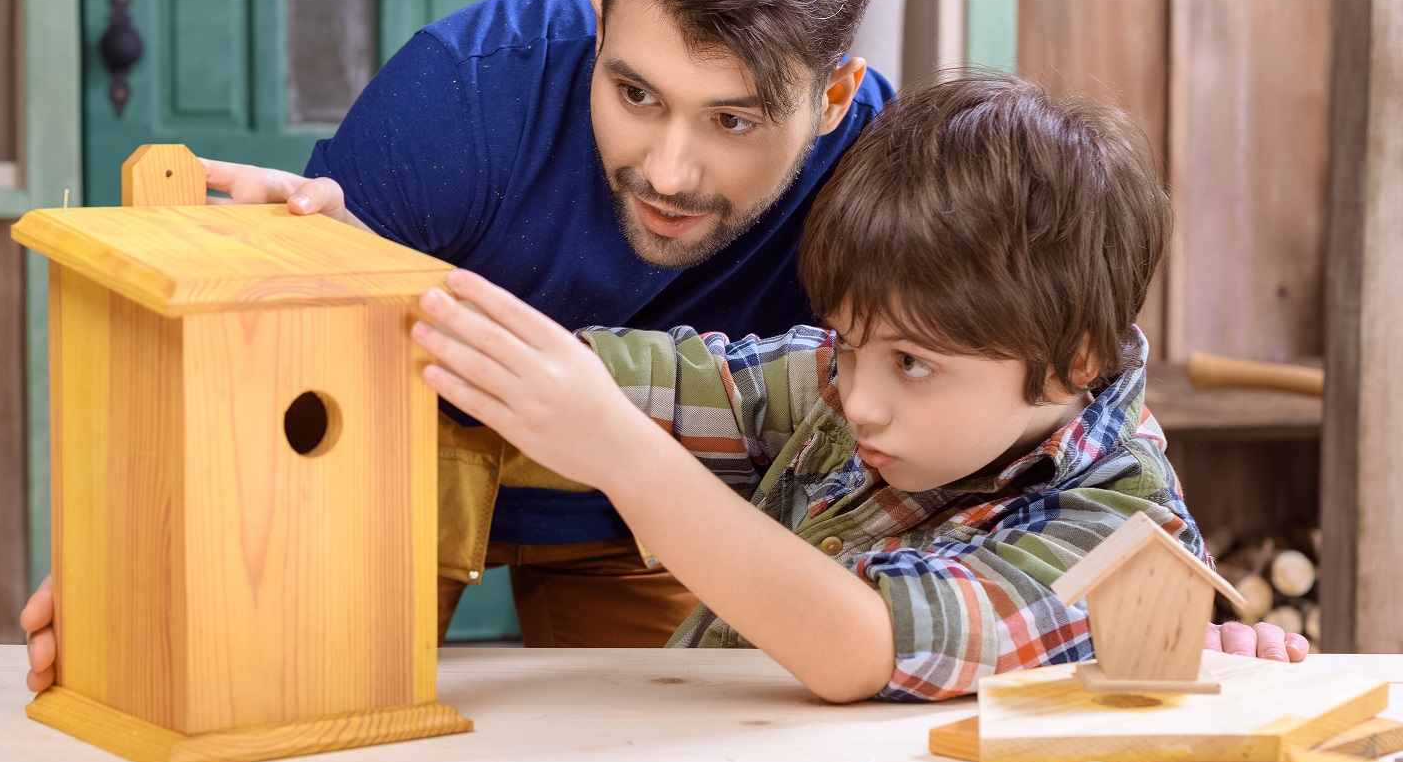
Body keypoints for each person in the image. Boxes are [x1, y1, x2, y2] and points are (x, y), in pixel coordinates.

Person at [24, 0, 890, 690]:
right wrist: (141, 542)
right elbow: (263, 366)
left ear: (832, 98)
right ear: (598, 22)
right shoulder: (464, 92)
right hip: (382, 469)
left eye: (731, 121)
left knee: (670, 750)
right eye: (635, 94)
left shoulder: (887, 177)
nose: (668, 171)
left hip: (660, 504)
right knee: (274, 700)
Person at [405, 75, 1308, 701]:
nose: (859, 397)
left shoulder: (1118, 536)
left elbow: (862, 643)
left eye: (912, 362)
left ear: (1072, 361)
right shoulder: (862, 387)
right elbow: (647, 378)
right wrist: (364, 281)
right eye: (847, 341)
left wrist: (623, 458)